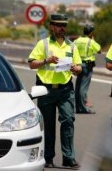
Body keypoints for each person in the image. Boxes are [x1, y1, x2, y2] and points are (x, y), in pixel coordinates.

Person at [28, 13, 82, 169]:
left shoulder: (72, 46)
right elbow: (32, 64)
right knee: (48, 125)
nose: (62, 28)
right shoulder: (43, 44)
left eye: (64, 26)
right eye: (58, 25)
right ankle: (48, 158)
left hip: (65, 89)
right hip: (46, 90)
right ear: (51, 27)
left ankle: (68, 157)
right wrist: (46, 60)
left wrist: (76, 68)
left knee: (68, 121)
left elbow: (78, 67)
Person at [74, 24, 101, 114]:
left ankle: (77, 107)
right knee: (83, 88)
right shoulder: (90, 41)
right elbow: (99, 50)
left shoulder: (76, 41)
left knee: (78, 87)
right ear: (91, 33)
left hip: (78, 65)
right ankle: (83, 108)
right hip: (87, 66)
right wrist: (93, 40)